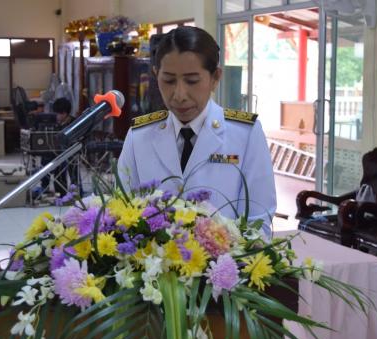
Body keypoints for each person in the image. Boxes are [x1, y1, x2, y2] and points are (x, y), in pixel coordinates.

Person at [118, 26, 276, 237]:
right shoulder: (140, 136)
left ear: (215, 77)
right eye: (169, 80)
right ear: (156, 75)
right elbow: (120, 212)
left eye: (192, 81)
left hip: (225, 265)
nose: (179, 94)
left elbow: (259, 222)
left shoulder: (245, 134)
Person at [40, 97, 78, 196]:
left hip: (69, 151)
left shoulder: (74, 123)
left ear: (64, 113)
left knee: (66, 163)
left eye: (58, 113)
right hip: (54, 150)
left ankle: (67, 191)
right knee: (45, 159)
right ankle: (45, 188)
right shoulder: (52, 121)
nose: (55, 116)